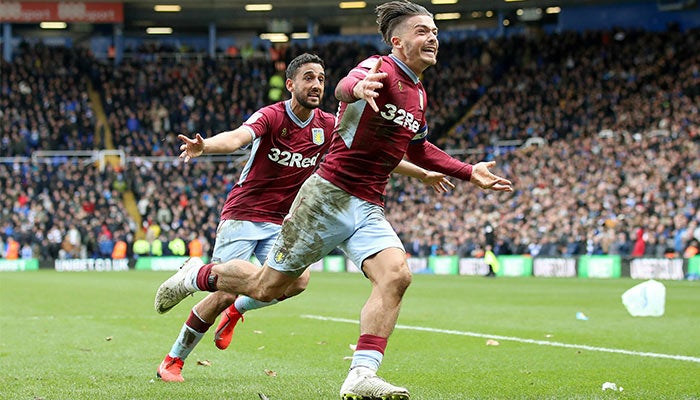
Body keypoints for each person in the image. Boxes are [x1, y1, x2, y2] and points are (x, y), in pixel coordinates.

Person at [154, 2, 513, 398]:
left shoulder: (418, 95)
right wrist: (355, 88)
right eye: (423, 31)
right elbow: (347, 85)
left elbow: (418, 147)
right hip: (326, 198)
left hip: (366, 204)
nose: (433, 38)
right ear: (398, 41)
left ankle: (361, 374)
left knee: (396, 275)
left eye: (435, 31)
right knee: (263, 287)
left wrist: (465, 170)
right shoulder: (379, 68)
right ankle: (192, 278)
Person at [155, 52, 453, 383]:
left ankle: (237, 309)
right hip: (244, 213)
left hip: (284, 219)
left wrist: (422, 174)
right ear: (290, 84)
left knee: (298, 281)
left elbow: (371, 152)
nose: (316, 85)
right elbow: (238, 138)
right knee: (222, 292)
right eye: (308, 78)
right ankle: (173, 359)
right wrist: (205, 146)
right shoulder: (271, 116)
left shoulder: (327, 125)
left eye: (322, 79)